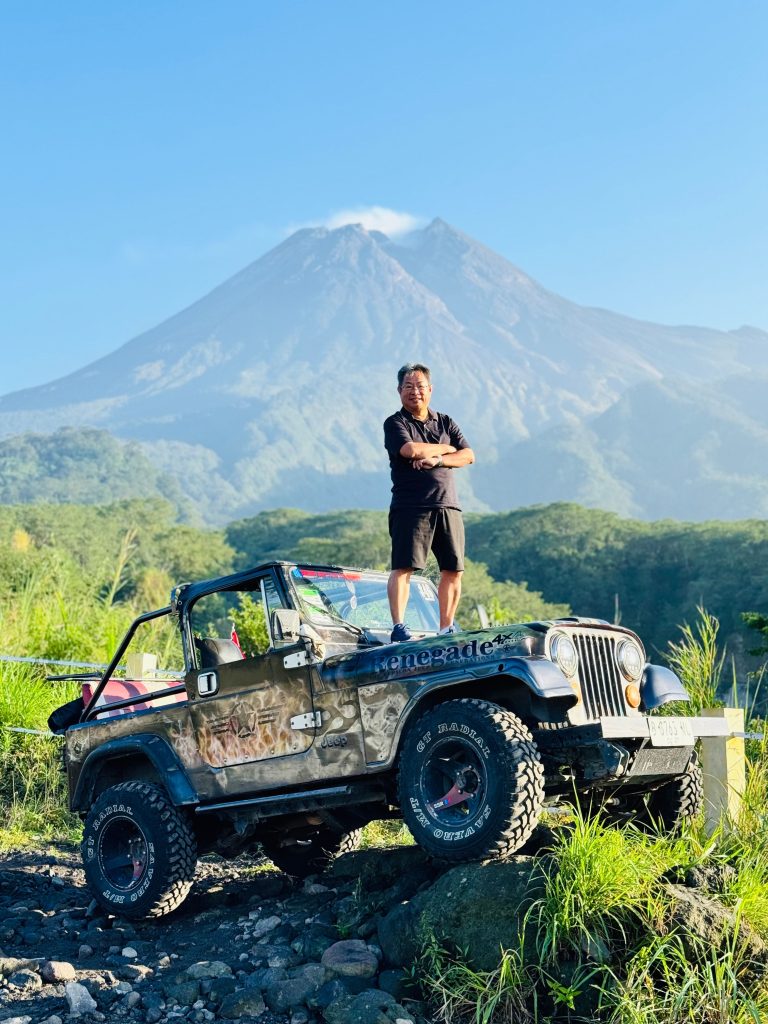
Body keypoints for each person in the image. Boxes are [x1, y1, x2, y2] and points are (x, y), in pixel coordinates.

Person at [383, 362, 475, 642]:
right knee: (404, 566)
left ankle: (446, 628)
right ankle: (399, 627)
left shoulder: (445, 421)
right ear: (399, 391)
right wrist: (448, 447)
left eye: (420, 386)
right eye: (408, 387)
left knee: (453, 569)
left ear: (430, 389)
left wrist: (439, 459)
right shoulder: (395, 422)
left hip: (448, 504)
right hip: (411, 506)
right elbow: (410, 449)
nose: (415, 392)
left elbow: (468, 454)